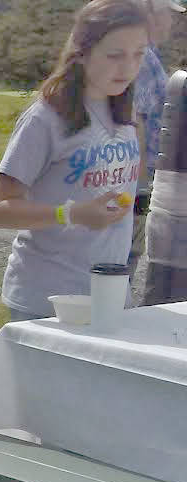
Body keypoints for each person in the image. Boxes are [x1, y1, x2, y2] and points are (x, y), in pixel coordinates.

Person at [0, 0, 150, 321]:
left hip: (110, 294)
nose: (128, 67)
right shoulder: (46, 119)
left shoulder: (127, 113)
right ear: (82, 52)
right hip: (48, 300)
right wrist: (72, 213)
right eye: (115, 55)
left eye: (139, 54)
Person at [134, 0, 184, 303]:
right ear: (149, 11)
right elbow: (134, 121)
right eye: (169, 13)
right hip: (136, 190)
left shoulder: (149, 55)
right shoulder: (139, 57)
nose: (173, 22)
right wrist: (138, 192)